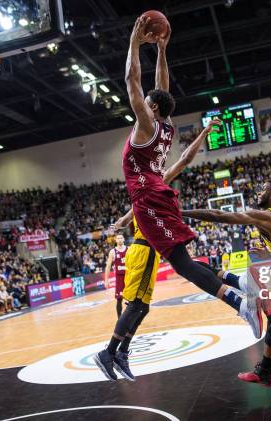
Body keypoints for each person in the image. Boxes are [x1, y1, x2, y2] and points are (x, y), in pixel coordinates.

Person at [120, 15, 262, 339]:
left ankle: (241, 305)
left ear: (152, 108)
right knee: (184, 261)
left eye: (148, 101)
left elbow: (132, 78)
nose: (144, 99)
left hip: (149, 199)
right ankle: (240, 287)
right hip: (160, 193)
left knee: (182, 266)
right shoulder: (166, 125)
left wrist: (133, 40)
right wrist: (161, 50)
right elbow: (161, 87)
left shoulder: (145, 125)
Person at [94, 113, 225, 382]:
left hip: (153, 252)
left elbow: (186, 158)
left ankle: (122, 352)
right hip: (142, 249)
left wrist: (203, 133)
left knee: (143, 308)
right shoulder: (145, 186)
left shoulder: (157, 180)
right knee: (135, 306)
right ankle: (108, 352)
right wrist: (122, 221)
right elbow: (131, 211)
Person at [182, 179, 271, 414]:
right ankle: (265, 369)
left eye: (264, 189)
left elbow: (219, 215)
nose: (259, 192)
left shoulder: (267, 216)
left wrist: (181, 211)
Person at [104, 234, 128, 317]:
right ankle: (119, 320)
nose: (120, 239)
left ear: (124, 239)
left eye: (121, 238)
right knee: (119, 299)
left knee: (132, 298)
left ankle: (131, 317)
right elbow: (108, 266)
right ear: (116, 240)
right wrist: (106, 280)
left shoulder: (130, 249)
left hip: (129, 276)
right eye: (118, 238)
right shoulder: (112, 252)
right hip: (119, 277)